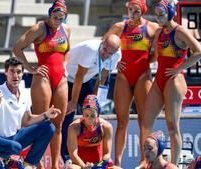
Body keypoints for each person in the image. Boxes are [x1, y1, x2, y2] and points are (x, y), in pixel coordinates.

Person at [141, 0, 201, 166]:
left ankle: (173, 165)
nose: (158, 18)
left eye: (161, 15)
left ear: (170, 13)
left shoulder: (180, 31)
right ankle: (145, 162)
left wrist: (180, 68)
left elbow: (199, 52)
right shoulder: (160, 31)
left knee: (172, 126)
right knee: (145, 123)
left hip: (174, 80)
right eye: (156, 15)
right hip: (159, 79)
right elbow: (155, 55)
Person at [12, 0, 70, 168]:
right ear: (50, 13)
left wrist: (65, 67)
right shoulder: (39, 28)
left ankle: (55, 165)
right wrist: (30, 68)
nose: (57, 21)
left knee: (58, 124)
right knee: (42, 123)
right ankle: (36, 163)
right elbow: (17, 48)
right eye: (55, 17)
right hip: (43, 78)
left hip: (60, 79)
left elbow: (66, 52)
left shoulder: (66, 30)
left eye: (61, 18)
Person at [104, 0, 159, 166]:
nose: (133, 14)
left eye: (137, 11)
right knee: (122, 121)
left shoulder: (152, 28)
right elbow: (104, 46)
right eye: (130, 10)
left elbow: (156, 53)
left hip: (143, 75)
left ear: (143, 12)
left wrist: (146, 63)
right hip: (123, 76)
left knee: (144, 120)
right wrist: (114, 61)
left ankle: (144, 160)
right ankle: (118, 162)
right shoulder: (119, 27)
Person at [0, 57, 59, 168]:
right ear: (6, 73)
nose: (15, 75)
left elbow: (27, 120)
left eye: (18, 72)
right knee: (16, 147)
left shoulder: (24, 94)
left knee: (49, 127)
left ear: (22, 74)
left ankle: (28, 164)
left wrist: (46, 114)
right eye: (12, 71)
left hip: (14, 139)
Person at [61, 35, 121, 165]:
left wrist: (94, 100)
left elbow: (102, 77)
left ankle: (95, 153)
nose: (107, 54)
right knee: (67, 116)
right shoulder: (91, 49)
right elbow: (78, 76)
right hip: (68, 78)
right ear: (102, 41)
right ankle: (66, 158)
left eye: (111, 53)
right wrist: (73, 102)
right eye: (105, 50)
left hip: (86, 80)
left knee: (93, 113)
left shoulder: (116, 54)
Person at [67, 95, 120, 169]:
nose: (89, 118)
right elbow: (73, 154)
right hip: (80, 164)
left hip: (98, 165)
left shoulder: (106, 127)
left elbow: (107, 155)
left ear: (98, 113)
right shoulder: (74, 127)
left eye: (92, 115)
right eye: (86, 115)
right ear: (83, 113)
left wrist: (98, 166)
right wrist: (84, 166)